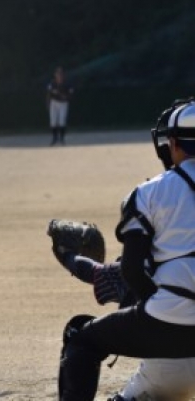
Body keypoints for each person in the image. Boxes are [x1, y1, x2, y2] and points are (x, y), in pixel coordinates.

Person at [57, 99, 195, 400]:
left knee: (81, 339)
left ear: (172, 144)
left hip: (168, 344)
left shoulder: (150, 193)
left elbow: (128, 270)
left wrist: (67, 255)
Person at [56, 251, 195, 400]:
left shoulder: (149, 252)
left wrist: (67, 255)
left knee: (78, 334)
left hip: (166, 371)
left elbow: (92, 271)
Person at [46, 66, 74, 145]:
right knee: (53, 121)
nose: (59, 76)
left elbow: (70, 94)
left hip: (63, 103)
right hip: (54, 103)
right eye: (58, 74)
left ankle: (62, 138)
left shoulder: (67, 84)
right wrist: (48, 103)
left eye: (61, 75)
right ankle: (54, 138)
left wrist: (66, 97)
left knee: (62, 121)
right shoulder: (52, 83)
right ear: (55, 75)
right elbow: (49, 94)